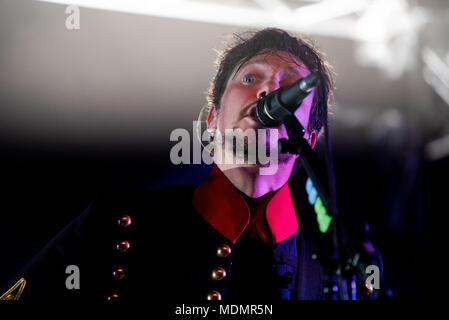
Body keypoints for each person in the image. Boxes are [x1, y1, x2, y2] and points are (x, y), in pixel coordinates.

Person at [0, 28, 383, 303]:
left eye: (291, 85)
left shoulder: (345, 255)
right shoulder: (112, 223)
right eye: (251, 78)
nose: (269, 92)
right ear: (213, 119)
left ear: (311, 139)